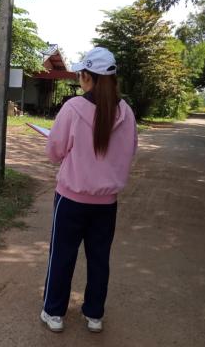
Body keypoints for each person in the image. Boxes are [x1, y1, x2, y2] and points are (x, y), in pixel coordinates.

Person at [40, 47, 138, 333]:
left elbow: (54, 152)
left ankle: (54, 313)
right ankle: (94, 315)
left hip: (71, 199)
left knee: (62, 255)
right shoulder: (127, 112)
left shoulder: (73, 108)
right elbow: (129, 151)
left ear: (86, 76)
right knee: (99, 258)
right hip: (106, 203)